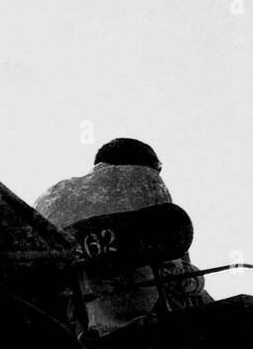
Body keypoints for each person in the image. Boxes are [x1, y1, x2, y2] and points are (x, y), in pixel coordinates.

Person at [35, 138, 210, 338]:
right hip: (135, 312)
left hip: (71, 319)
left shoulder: (49, 195)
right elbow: (175, 269)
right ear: (148, 165)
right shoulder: (146, 178)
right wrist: (197, 279)